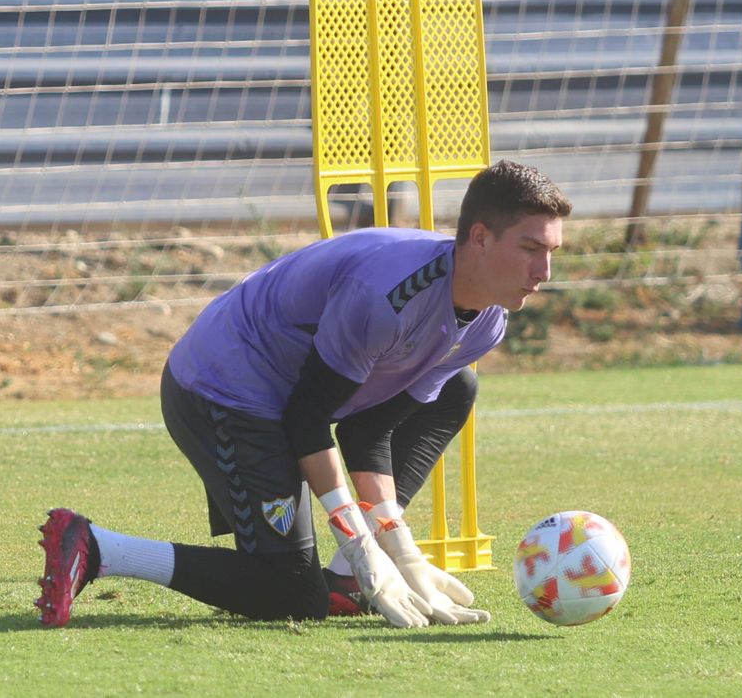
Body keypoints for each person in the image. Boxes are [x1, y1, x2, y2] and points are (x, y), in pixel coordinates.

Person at [35, 160, 572, 627]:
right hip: (224, 389)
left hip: (293, 397)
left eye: (551, 253)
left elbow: (370, 429)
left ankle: (344, 580)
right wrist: (360, 545)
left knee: (457, 387)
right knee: (289, 593)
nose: (543, 272)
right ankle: (95, 545)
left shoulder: (488, 322)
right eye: (530, 249)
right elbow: (307, 419)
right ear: (479, 238)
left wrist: (398, 548)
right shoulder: (385, 296)